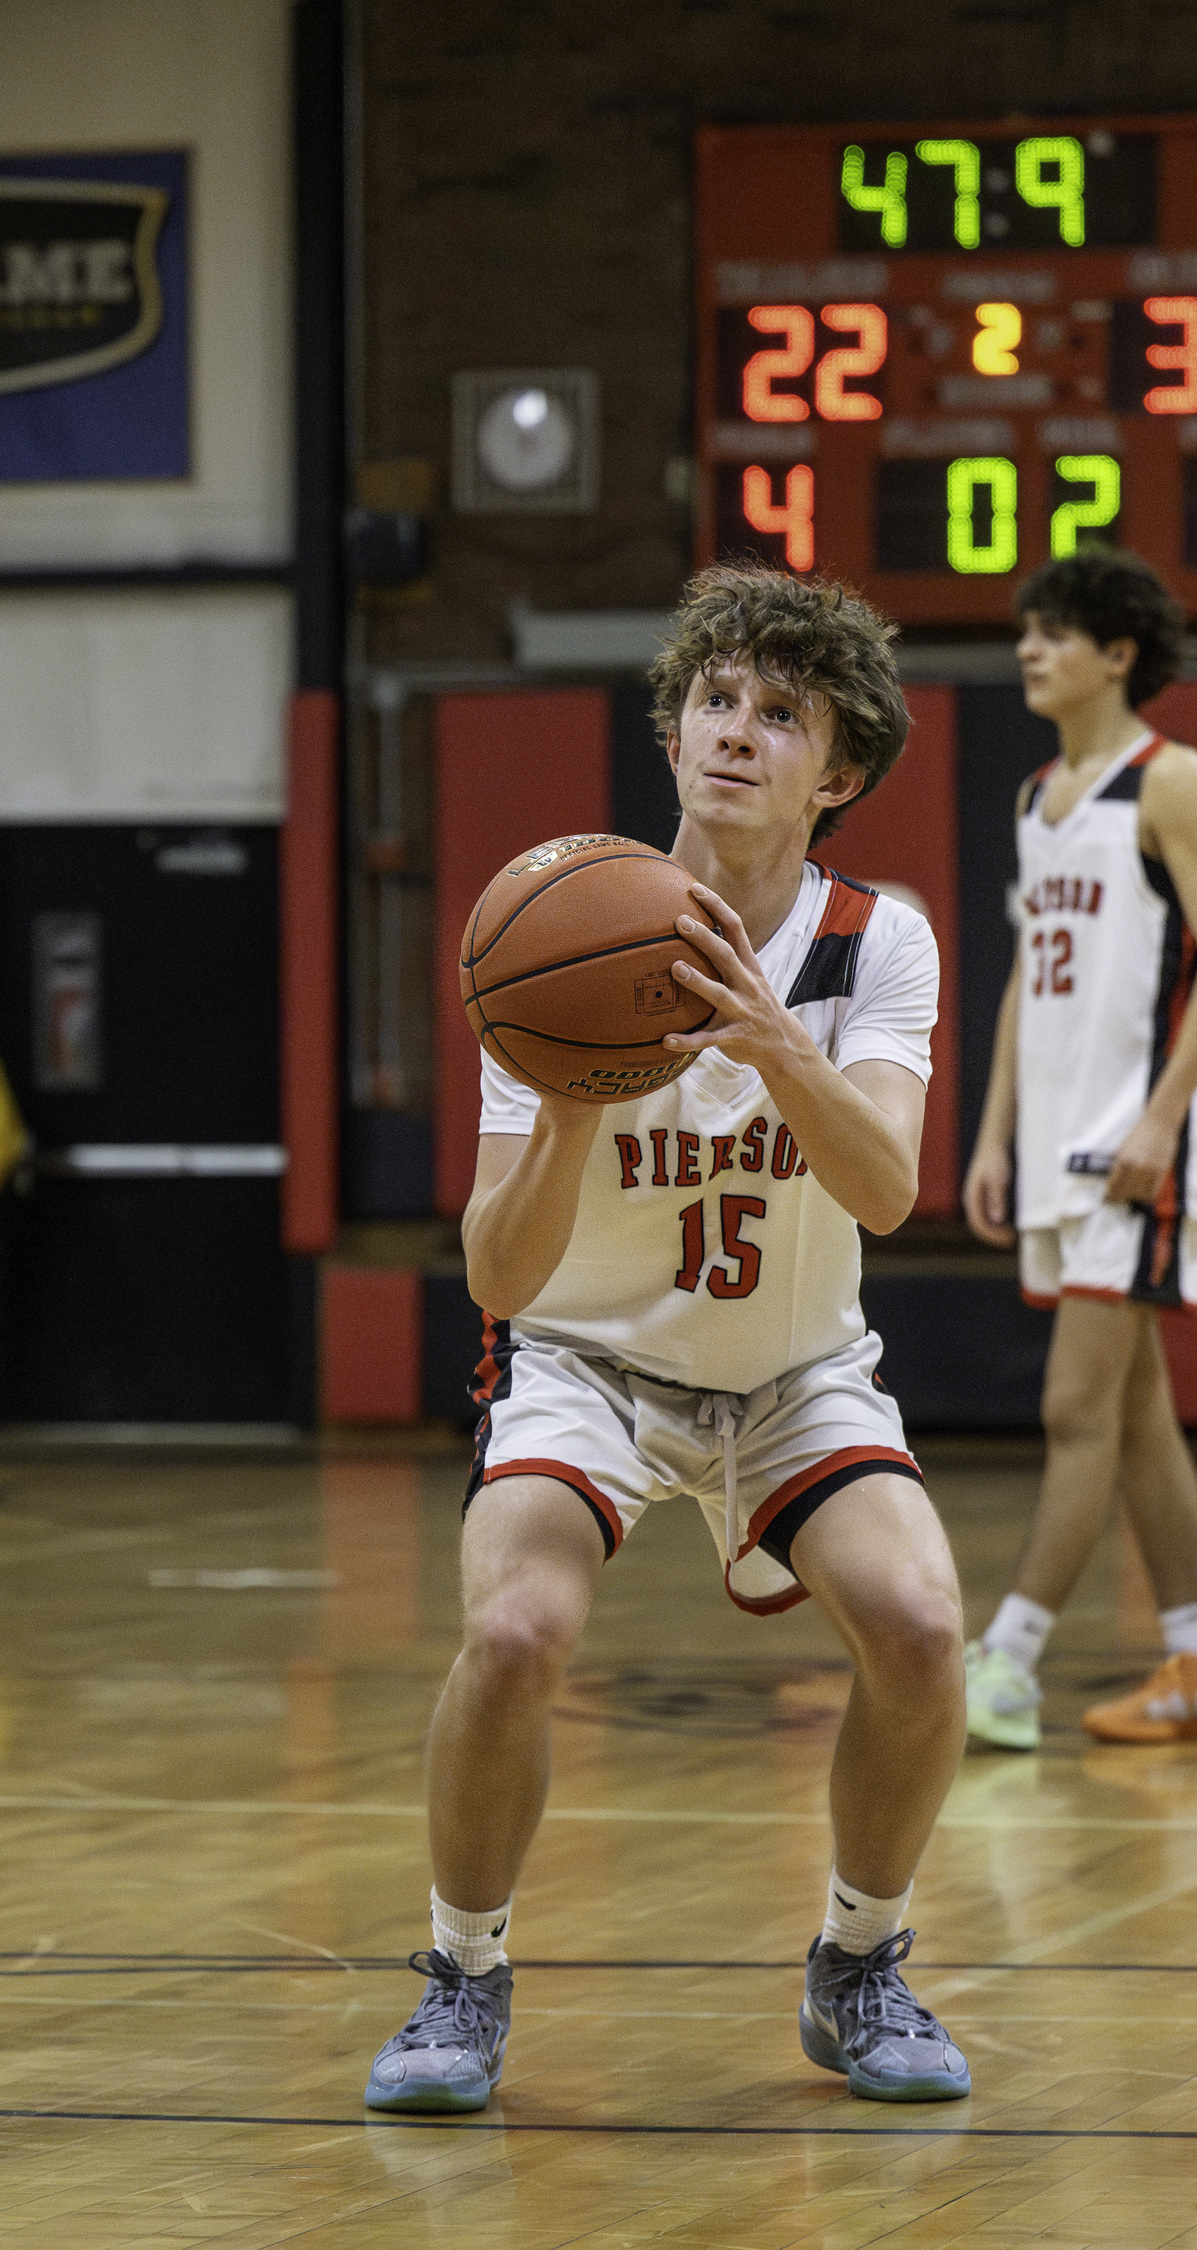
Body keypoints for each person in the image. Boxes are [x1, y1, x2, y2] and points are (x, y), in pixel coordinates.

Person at [364, 562, 971, 2113]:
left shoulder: (874, 944)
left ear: (837, 773)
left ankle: (860, 1956)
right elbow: (499, 1272)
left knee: (916, 1623)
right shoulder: (558, 927)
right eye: (715, 698)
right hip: (585, 1361)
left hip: (793, 1369)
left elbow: (891, 1190)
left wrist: (770, 1037)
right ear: (673, 726)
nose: (737, 731)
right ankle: (461, 1975)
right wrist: (572, 1104)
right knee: (512, 1636)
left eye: (781, 713)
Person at [962, 550, 1197, 1749]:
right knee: (1137, 1421)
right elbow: (1031, 980)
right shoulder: (1037, 799)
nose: (1030, 650)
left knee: (1074, 1406)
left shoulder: (1173, 781)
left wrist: (1164, 1116)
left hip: (1136, 1147)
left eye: (1054, 633)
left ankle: (1005, 1660)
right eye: (1026, 632)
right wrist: (992, 1136)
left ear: (1119, 652)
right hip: (1055, 1149)